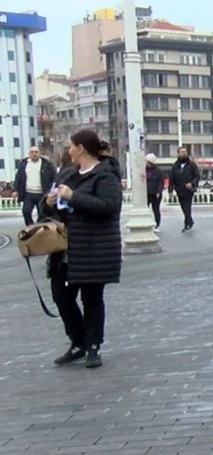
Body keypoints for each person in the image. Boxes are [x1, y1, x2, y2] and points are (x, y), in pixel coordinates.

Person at [44, 129, 123, 369]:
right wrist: (48, 202)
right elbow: (52, 208)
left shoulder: (105, 176)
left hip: (92, 249)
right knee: (61, 296)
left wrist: (73, 196)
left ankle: (93, 346)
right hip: (65, 248)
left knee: (92, 298)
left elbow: (109, 206)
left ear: (81, 148)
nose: (69, 151)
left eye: (71, 146)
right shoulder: (68, 173)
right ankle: (77, 341)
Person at [14, 145, 56, 226]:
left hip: (42, 194)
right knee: (26, 211)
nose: (34, 154)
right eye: (32, 152)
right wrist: (15, 190)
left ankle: (39, 229)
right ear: (29, 154)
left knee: (42, 214)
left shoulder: (47, 164)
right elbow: (18, 177)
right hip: (28, 193)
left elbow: (54, 178)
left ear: (39, 153)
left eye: (36, 152)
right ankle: (31, 228)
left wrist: (53, 190)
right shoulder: (24, 164)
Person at [169, 146, 200, 232]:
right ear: (178, 153)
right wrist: (170, 190)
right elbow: (171, 179)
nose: (184, 153)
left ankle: (187, 224)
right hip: (179, 189)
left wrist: (192, 183)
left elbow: (197, 176)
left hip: (189, 190)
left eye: (185, 152)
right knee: (183, 207)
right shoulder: (175, 166)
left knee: (187, 206)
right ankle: (190, 220)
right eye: (182, 152)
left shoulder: (192, 165)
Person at [145, 153, 164, 233]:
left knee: (156, 209)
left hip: (155, 193)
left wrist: (158, 191)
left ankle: (157, 225)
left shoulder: (158, 171)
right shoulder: (143, 169)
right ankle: (146, 224)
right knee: (145, 210)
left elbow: (160, 182)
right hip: (146, 193)